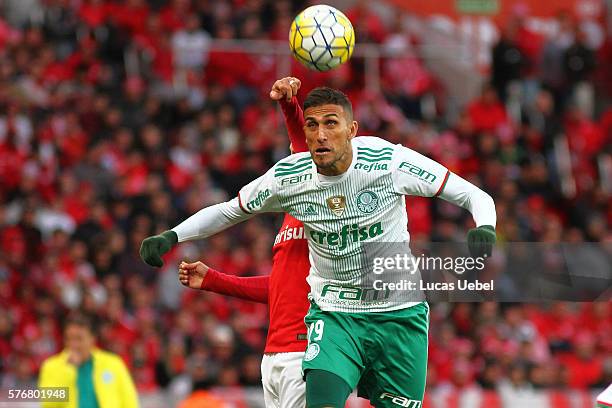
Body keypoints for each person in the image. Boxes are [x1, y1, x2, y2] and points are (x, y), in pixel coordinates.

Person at [141, 85, 496, 407]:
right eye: (312, 126)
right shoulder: (290, 178)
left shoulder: (387, 162)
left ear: (352, 131)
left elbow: (470, 194)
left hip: (397, 315)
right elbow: (228, 211)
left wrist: (484, 226)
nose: (321, 135)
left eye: (331, 123)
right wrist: (172, 236)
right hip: (334, 312)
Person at [38, 313, 139, 408]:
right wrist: (68, 370)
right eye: (69, 338)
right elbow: (47, 403)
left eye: (79, 339)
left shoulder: (113, 363)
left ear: (92, 338)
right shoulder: (51, 366)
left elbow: (129, 401)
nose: (73, 344)